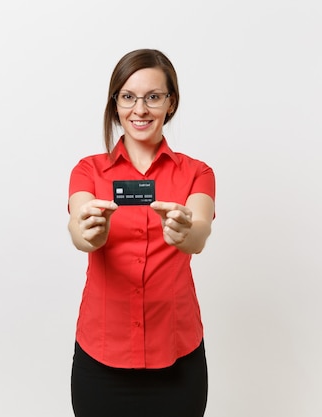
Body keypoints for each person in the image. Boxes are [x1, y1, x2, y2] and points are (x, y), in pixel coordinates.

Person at [67, 48, 216, 417]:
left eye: (153, 97)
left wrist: (184, 233)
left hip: (177, 359)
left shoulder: (198, 173)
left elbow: (199, 234)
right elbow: (78, 231)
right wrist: (91, 234)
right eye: (128, 97)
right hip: (101, 359)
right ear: (115, 103)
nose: (140, 109)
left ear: (171, 102)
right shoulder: (88, 171)